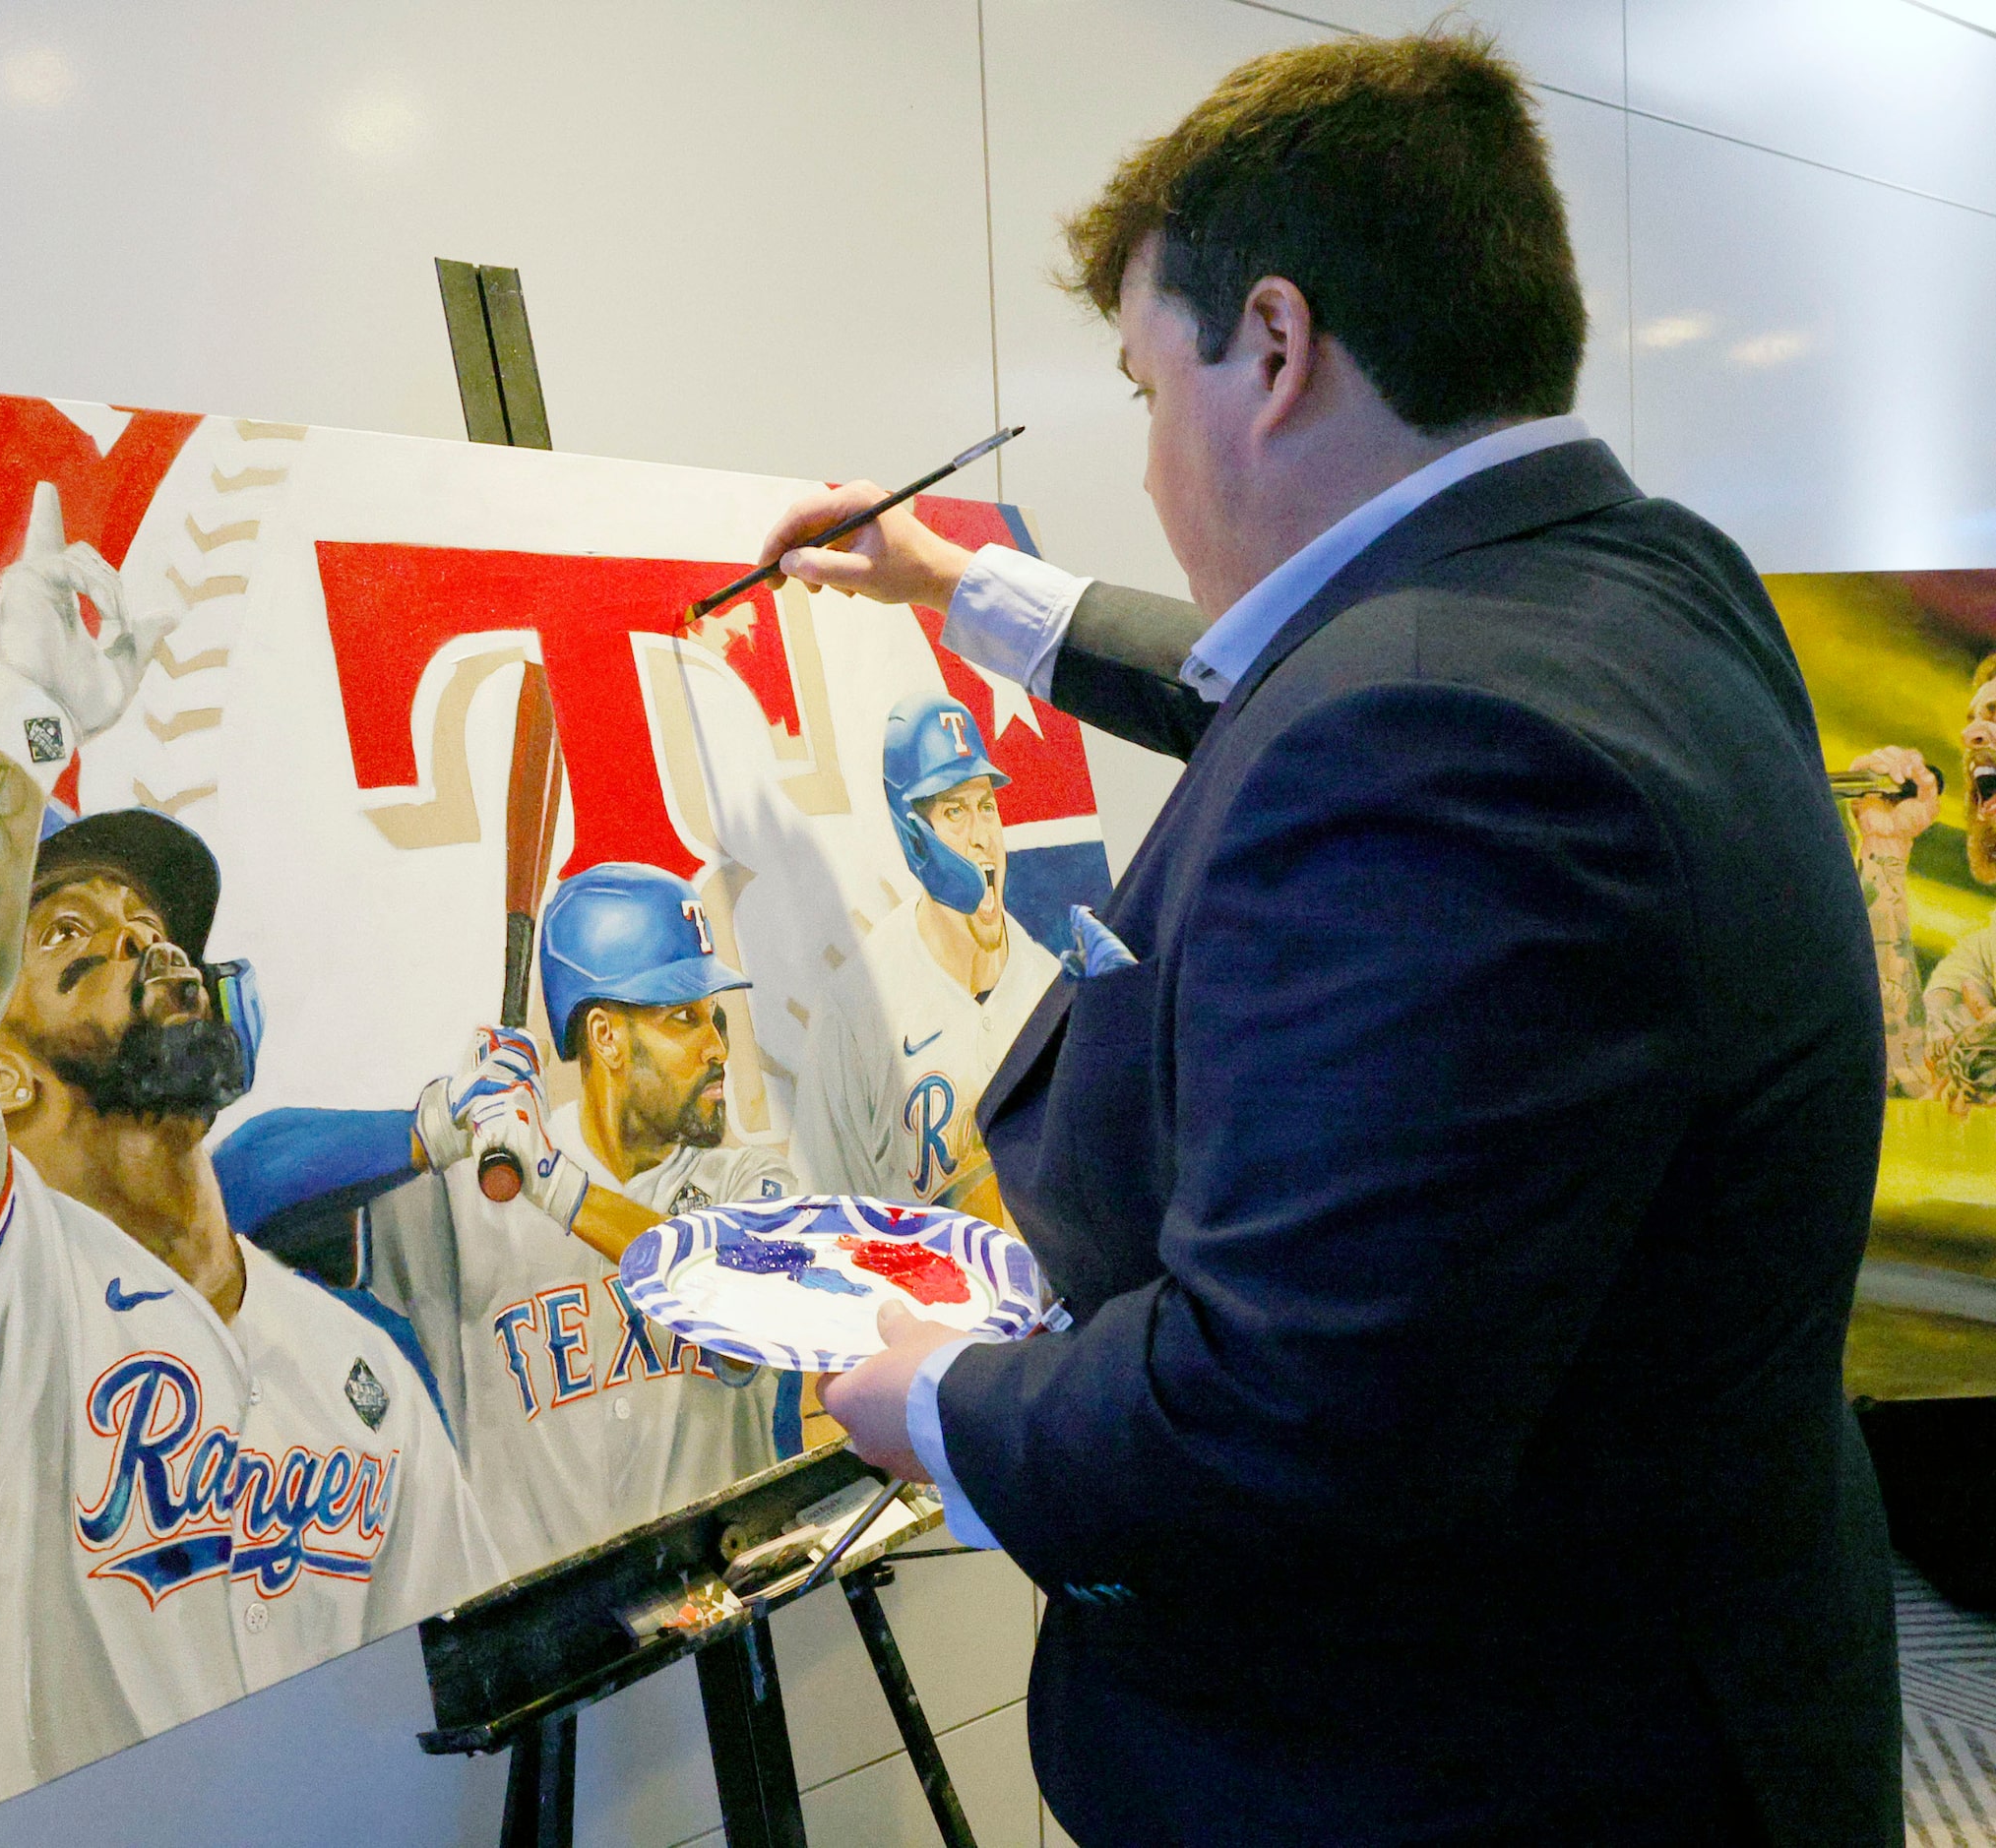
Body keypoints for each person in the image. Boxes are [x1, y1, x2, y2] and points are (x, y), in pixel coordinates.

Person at [773, 30, 1898, 1848]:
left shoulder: (1441, 737)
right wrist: (966, 587)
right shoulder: (1637, 577)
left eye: (1146, 391)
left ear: (1276, 348)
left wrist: (949, 1411)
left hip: (1463, 1769)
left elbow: (1282, 1417)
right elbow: (1317, 670)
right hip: (1694, 1675)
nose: (1146, 463)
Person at [0, 523, 503, 1842]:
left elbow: (479, 1698)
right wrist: (25, 717)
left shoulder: (363, 1374)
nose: (139, 939)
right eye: (67, 929)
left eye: (156, 927)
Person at [353, 863, 801, 1563]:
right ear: (605, 1036)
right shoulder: (472, 1193)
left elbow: (738, 1303)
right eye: (683, 1019)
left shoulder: (750, 1183)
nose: (717, 1047)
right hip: (540, 1648)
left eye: (714, 1017)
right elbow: (248, 1183)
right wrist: (436, 1122)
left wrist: (554, 1185)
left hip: (724, 1608)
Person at [792, 693, 1053, 1216]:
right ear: (914, 836)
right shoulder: (858, 1007)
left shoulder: (1050, 988)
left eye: (987, 807)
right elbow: (823, 1218)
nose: (982, 837)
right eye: (954, 811)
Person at [1848, 656, 1996, 1109]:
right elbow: (1903, 1069)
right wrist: (1884, 848)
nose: (1971, 735)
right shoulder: (1984, 956)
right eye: (1972, 719)